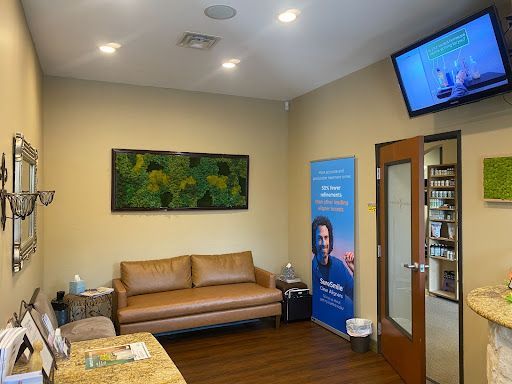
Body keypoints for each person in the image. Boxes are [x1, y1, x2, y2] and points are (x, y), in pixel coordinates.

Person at [311, 215, 354, 333]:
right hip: (321, 324)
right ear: (314, 242)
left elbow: (354, 293)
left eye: (326, 237)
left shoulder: (339, 266)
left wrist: (353, 270)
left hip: (341, 327)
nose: (324, 243)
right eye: (319, 238)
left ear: (330, 240)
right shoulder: (311, 268)